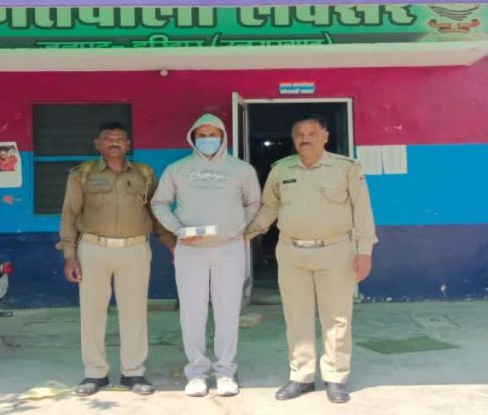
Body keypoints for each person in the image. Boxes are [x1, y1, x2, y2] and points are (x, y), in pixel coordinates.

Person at [245, 116, 377, 404]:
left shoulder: (346, 168)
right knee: (296, 316)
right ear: (293, 139)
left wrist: (364, 251)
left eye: (312, 133)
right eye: (299, 134)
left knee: (337, 317)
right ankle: (301, 376)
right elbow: (269, 209)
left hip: (335, 251)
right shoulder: (281, 170)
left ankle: (335, 377)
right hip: (291, 252)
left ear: (325, 136)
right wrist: (243, 234)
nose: (305, 138)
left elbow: (362, 211)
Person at [57, 121, 176, 396]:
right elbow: (70, 214)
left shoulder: (145, 174)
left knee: (135, 312)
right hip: (93, 248)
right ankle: (95, 373)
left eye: (120, 139)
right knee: (92, 312)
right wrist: (70, 255)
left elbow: (156, 213)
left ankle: (133, 373)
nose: (114, 142)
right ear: (97, 144)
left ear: (128, 145)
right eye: (108, 138)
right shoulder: (82, 174)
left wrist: (171, 245)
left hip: (135, 249)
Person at [151, 113, 261, 398]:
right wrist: (178, 229)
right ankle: (197, 372)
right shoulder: (178, 169)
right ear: (193, 137)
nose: (208, 140)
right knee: (192, 312)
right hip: (190, 251)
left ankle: (225, 371)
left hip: (230, 248)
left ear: (223, 137)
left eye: (213, 134)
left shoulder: (241, 169)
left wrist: (238, 228)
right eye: (202, 135)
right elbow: (160, 203)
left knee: (228, 311)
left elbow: (253, 203)